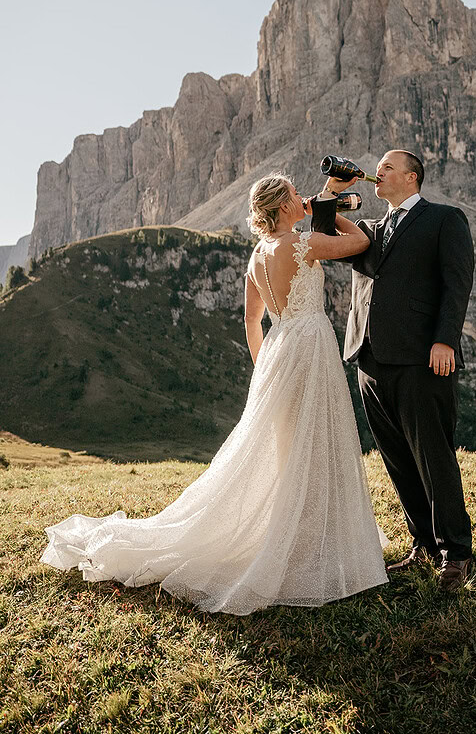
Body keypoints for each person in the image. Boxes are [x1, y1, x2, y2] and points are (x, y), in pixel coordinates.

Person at [40, 174, 388, 615]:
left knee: (289, 447)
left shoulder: (258, 256)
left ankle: (304, 535)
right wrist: (333, 208)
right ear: (282, 206)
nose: (303, 199)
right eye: (296, 196)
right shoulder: (303, 244)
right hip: (308, 349)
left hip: (280, 350)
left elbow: (251, 321)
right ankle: (310, 545)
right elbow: (359, 243)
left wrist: (267, 369)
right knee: (317, 444)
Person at [311, 149, 475, 590]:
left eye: (386, 168)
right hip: (369, 359)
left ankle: (456, 552)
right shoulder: (370, 232)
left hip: (423, 358)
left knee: (433, 455)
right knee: (398, 459)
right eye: (376, 169)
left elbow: (457, 282)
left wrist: (446, 340)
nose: (376, 173)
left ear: (412, 177)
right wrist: (332, 191)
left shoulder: (444, 219)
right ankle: (423, 542)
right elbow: (321, 234)